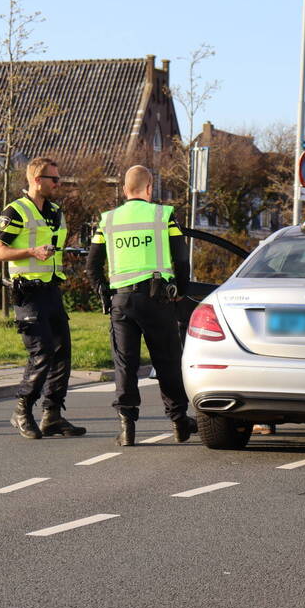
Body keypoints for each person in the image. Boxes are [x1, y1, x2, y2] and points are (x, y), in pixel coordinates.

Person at [86, 165, 196, 446]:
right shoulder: (163, 215)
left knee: (125, 363)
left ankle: (127, 427)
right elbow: (181, 258)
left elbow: (92, 264)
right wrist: (181, 290)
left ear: (124, 190)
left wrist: (104, 292)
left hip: (122, 301)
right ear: (149, 188)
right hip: (157, 299)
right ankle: (179, 421)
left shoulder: (108, 220)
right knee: (167, 360)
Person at [0, 157, 86, 439]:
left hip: (51, 290)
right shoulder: (16, 211)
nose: (58, 183)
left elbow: (54, 246)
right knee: (42, 351)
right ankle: (22, 410)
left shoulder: (55, 212)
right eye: (53, 179)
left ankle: (52, 416)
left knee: (62, 352)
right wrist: (31, 252)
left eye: (58, 178)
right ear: (36, 180)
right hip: (27, 292)